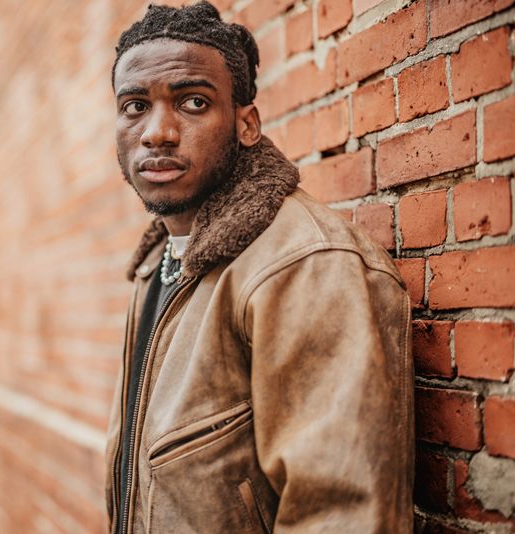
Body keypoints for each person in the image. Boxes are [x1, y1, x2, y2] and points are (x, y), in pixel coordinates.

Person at [104, 3, 414, 533]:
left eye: (193, 101)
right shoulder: (159, 262)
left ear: (247, 124)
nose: (157, 132)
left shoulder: (305, 265)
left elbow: (342, 514)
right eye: (135, 106)